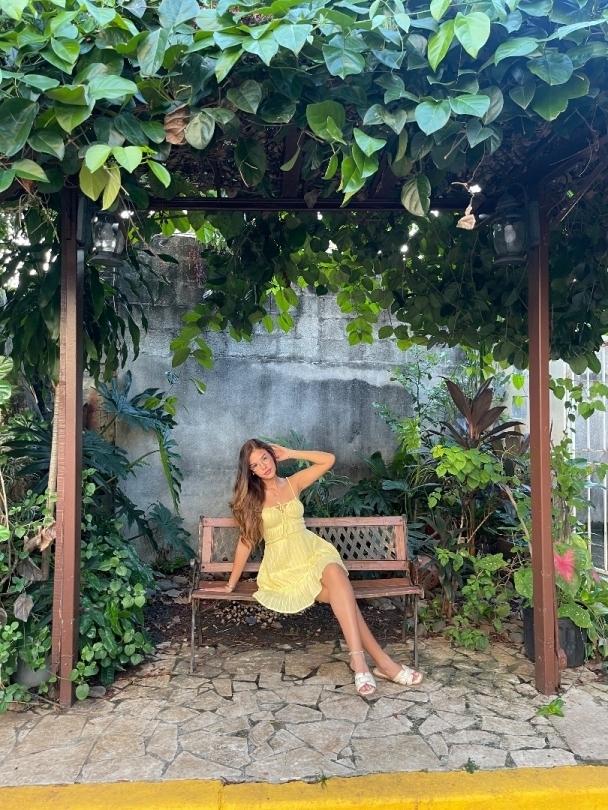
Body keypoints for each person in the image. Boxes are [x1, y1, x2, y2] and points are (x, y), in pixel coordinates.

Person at [224, 438, 423, 697]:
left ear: (272, 455)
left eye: (265, 457)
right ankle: (383, 663)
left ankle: (360, 662)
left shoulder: (293, 483)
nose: (264, 466)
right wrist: (231, 583)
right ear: (250, 471)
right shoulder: (253, 500)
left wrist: (291, 452)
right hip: (285, 568)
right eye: (255, 464)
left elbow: (328, 460)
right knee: (344, 597)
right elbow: (246, 542)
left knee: (335, 573)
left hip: (312, 552)